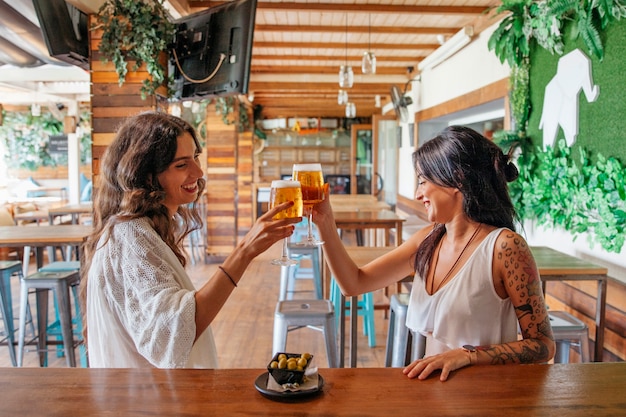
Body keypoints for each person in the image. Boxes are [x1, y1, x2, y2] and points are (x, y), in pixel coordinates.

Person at [313, 125, 555, 381]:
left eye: (422, 181)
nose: (418, 194)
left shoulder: (504, 247)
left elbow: (542, 345)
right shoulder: (428, 240)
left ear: (457, 179)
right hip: (432, 395)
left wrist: (468, 354)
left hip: (486, 397)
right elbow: (354, 283)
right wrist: (325, 223)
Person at [80, 111, 301, 368]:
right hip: (145, 404)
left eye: (195, 157)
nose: (198, 171)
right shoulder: (131, 237)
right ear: (147, 176)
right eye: (181, 164)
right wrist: (244, 252)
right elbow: (170, 335)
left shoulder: (140, 228)